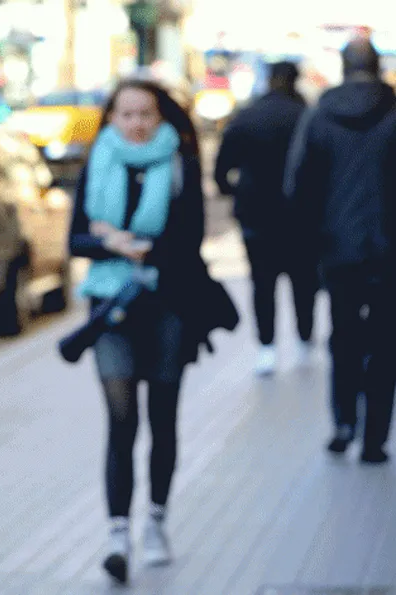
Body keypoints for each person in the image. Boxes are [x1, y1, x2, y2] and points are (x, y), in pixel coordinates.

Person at [69, 79, 238, 585]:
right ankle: (118, 535)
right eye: (127, 114)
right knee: (122, 422)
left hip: (169, 306)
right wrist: (118, 245)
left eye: (146, 114)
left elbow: (187, 240)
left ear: (162, 118)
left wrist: (119, 241)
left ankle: (158, 523)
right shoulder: (97, 160)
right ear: (112, 118)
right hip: (112, 309)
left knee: (162, 421)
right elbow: (77, 237)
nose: (137, 123)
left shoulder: (182, 165)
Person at [285, 38, 396, 465]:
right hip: (389, 252)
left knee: (344, 335)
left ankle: (343, 422)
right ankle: (375, 439)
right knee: (385, 343)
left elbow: (298, 188)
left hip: (338, 248)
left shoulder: (319, 117)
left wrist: (309, 245)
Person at [215, 61, 318, 375]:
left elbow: (222, 169)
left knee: (262, 284)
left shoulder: (248, 116)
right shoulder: (307, 116)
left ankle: (266, 347)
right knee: (303, 282)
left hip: (256, 215)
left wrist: (236, 192)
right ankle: (304, 340)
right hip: (299, 217)